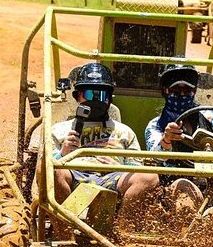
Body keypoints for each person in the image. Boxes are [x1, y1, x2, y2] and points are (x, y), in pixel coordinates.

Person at [45, 62, 160, 211]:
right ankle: (65, 232)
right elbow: (42, 171)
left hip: (114, 178)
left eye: (101, 95)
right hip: (73, 175)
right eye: (88, 94)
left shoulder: (125, 132)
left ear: (109, 99)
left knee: (149, 177)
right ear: (77, 96)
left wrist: (120, 168)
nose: (95, 101)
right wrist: (62, 154)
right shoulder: (59, 130)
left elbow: (136, 168)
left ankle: (122, 229)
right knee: (50, 171)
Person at [144, 64, 213, 214]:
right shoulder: (156, 126)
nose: (182, 94)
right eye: (175, 91)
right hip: (177, 183)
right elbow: (157, 154)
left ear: (194, 92)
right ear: (165, 91)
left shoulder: (211, 116)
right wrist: (166, 139)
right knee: (185, 198)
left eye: (187, 90)